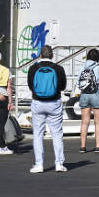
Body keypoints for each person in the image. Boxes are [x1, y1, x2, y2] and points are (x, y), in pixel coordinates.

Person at [25, 45, 68, 173]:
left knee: (38, 134)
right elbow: (62, 86)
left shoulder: (33, 68)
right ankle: (59, 163)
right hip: (54, 103)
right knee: (57, 134)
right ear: (52, 55)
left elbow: (30, 85)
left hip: (38, 102)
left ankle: (39, 164)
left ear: (40, 55)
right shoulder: (58, 68)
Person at [74, 48, 99, 153]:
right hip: (96, 95)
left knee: (84, 122)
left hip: (84, 95)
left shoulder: (82, 68)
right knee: (98, 123)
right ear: (97, 57)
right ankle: (98, 147)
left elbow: (78, 82)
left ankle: (83, 147)